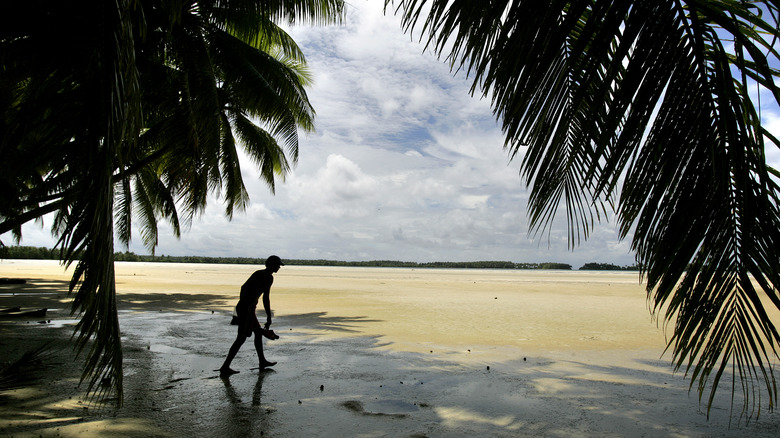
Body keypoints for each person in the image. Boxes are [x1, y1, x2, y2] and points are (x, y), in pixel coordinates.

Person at [220, 255, 284, 376]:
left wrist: (243, 303)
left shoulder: (258, 273)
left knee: (258, 333)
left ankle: (262, 361)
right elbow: (265, 298)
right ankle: (225, 367)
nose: (279, 267)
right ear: (271, 265)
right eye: (277, 265)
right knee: (241, 338)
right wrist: (268, 316)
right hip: (247, 309)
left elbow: (243, 288)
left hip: (246, 307)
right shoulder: (267, 277)